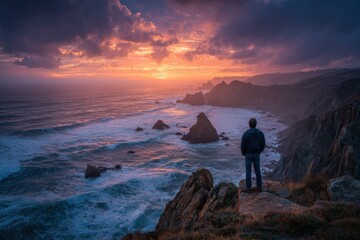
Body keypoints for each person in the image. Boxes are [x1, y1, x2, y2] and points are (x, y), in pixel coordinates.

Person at [241, 118, 265, 192]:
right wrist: (259, 151)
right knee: (257, 170)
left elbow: (242, 145)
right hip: (256, 154)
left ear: (249, 124)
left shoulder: (246, 134)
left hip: (248, 154)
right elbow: (263, 144)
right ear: (255, 124)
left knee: (248, 171)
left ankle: (249, 188)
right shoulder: (260, 133)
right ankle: (259, 187)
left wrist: (244, 153)